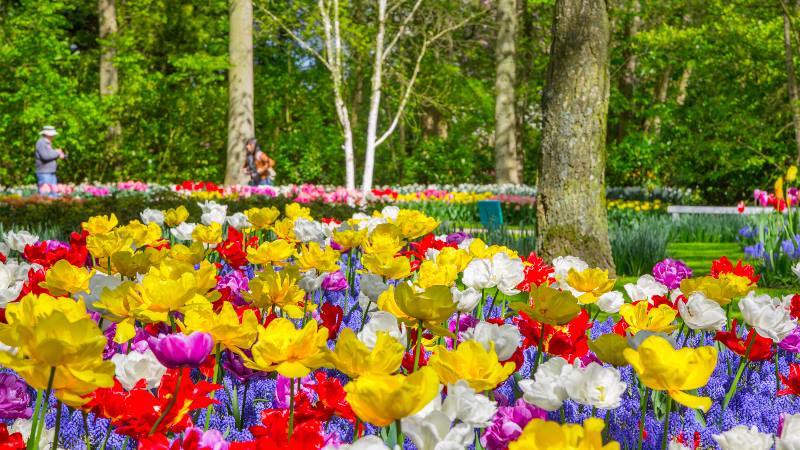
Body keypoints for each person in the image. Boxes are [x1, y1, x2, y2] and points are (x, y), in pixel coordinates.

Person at [34, 125, 66, 194]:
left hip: (50, 172)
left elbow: (50, 154)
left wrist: (58, 153)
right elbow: (45, 156)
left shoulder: (47, 143)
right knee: (46, 195)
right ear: (46, 134)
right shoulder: (41, 142)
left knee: (54, 194)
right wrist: (57, 153)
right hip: (44, 173)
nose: (53, 136)